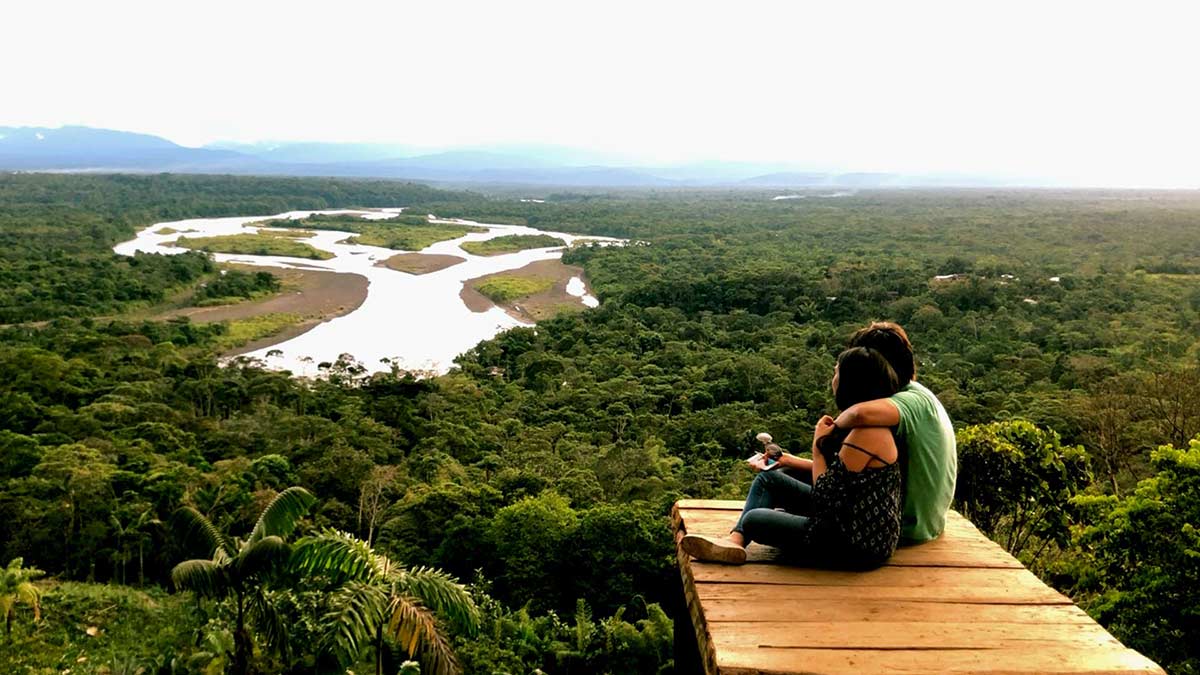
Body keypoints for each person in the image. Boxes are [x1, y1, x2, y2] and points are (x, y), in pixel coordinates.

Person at [680, 347, 904, 568]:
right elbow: (840, 480)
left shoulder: (866, 434)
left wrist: (817, 447)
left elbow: (825, 496)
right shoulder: (864, 425)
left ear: (851, 382)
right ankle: (734, 542)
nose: (833, 379)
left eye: (837, 372)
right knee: (770, 480)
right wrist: (787, 460)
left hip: (855, 544)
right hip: (850, 519)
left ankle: (741, 535)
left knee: (754, 519)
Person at [834, 322, 956, 544]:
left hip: (905, 526)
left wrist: (830, 431)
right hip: (922, 522)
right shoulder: (916, 393)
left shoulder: (910, 399)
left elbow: (860, 414)